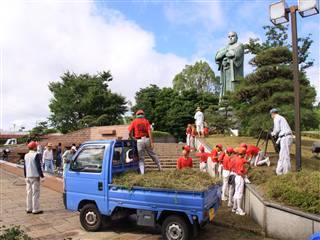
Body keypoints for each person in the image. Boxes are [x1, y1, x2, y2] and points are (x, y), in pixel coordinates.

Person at [128, 109, 162, 174]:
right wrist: (152, 142)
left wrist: (132, 137)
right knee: (152, 154)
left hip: (139, 140)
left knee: (141, 157)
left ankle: (142, 173)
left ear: (136, 115)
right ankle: (160, 168)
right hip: (147, 139)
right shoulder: (146, 121)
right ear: (143, 114)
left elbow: (129, 132)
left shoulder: (134, 122)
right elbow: (149, 132)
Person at [270, 108, 293, 175]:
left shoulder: (276, 118)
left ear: (272, 114)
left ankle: (287, 173)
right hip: (285, 137)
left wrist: (272, 133)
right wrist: (277, 141)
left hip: (285, 138)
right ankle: (279, 172)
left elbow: (277, 129)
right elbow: (281, 133)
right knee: (282, 155)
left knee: (285, 156)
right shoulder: (281, 118)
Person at [24, 141, 44, 214]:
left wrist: (25, 176)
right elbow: (38, 166)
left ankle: (28, 208)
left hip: (28, 176)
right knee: (35, 193)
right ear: (34, 147)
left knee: (29, 193)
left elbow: (25, 167)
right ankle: (35, 209)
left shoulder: (26, 155)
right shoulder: (36, 155)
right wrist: (42, 176)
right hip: (35, 176)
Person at [231, 147, 248, 216]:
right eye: (244, 154)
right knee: (239, 194)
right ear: (243, 154)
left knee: (236, 193)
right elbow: (240, 172)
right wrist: (245, 177)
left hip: (236, 177)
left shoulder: (236, 158)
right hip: (239, 177)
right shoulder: (240, 161)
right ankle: (239, 209)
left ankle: (234, 208)